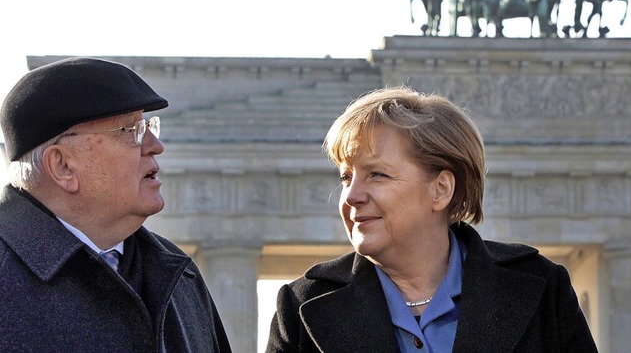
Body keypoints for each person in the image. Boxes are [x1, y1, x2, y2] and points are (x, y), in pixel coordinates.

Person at [265, 86, 598, 352]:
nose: (352, 196)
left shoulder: (542, 290)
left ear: (440, 189)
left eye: (377, 174)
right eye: (346, 177)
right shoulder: (299, 308)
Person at [0, 57, 232, 352]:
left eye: (149, 126)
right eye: (130, 131)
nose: (155, 146)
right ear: (63, 167)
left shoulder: (179, 273)